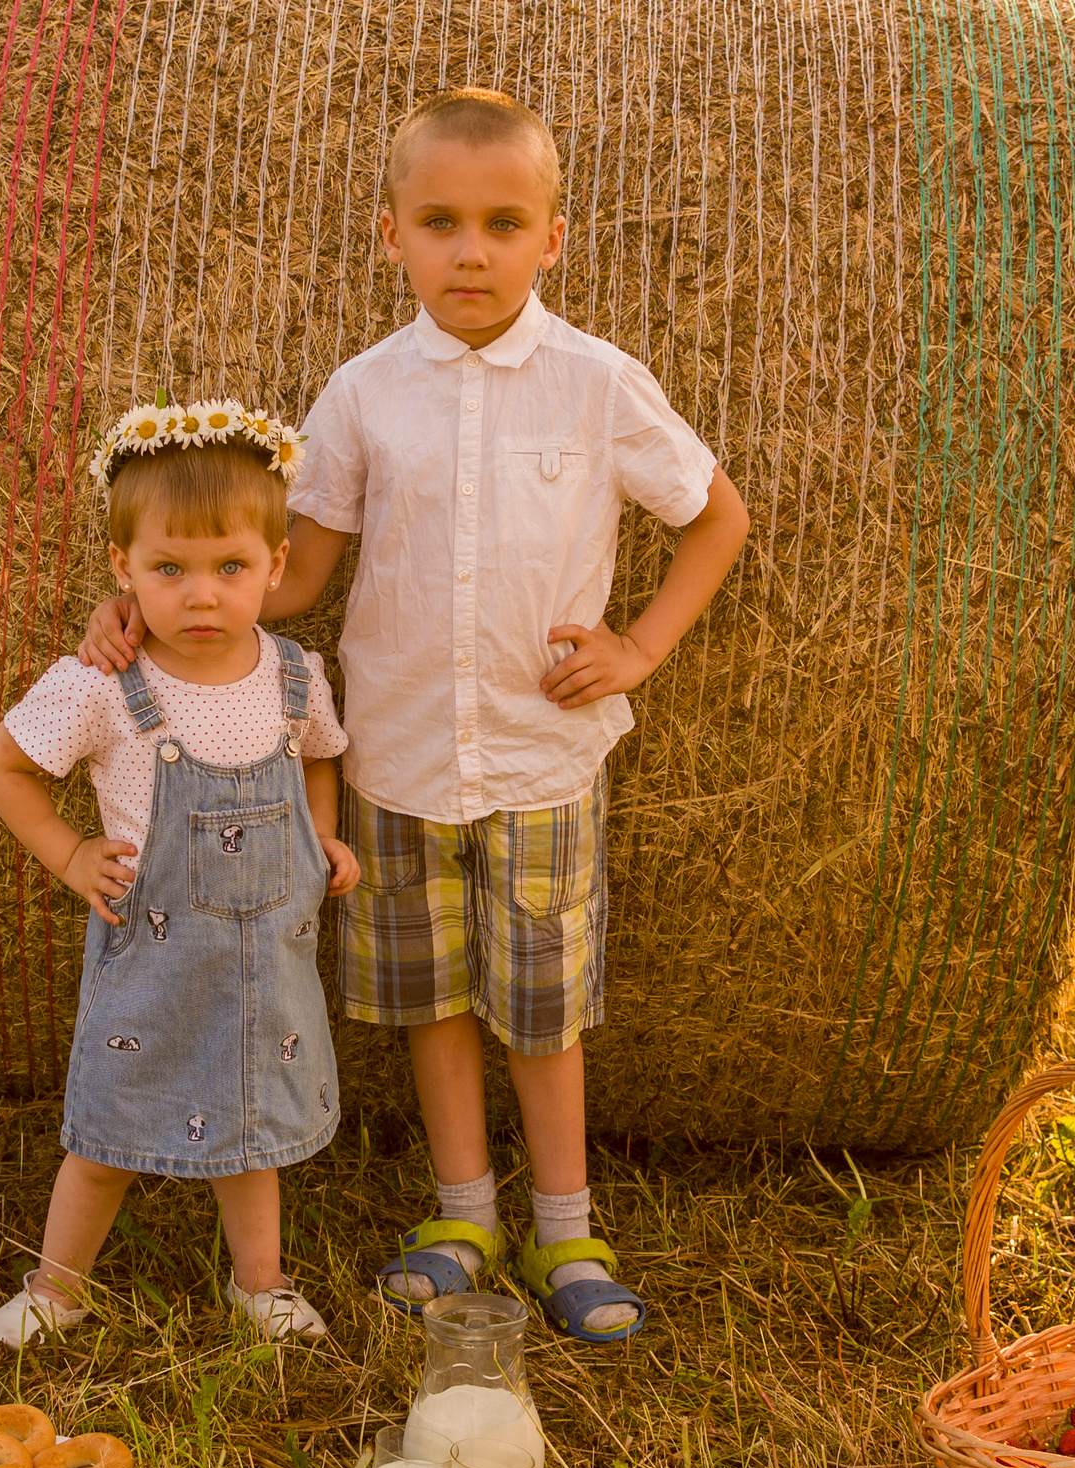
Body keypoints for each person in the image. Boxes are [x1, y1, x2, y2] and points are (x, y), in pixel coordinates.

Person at [80, 90, 750, 1343]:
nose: (471, 252)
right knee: (431, 999)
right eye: (440, 223)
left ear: (553, 238)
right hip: (391, 755)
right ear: (391, 235)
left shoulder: (597, 386)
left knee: (540, 1011)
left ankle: (567, 1228)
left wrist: (638, 647)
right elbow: (300, 574)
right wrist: (151, 611)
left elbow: (716, 516)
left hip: (544, 758)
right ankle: (462, 1214)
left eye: (503, 224)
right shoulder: (362, 395)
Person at [0, 399, 360, 1348]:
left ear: (275, 567)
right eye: (169, 570)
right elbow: (5, 761)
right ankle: (57, 1288)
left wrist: (322, 841)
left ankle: (259, 1283)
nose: (200, 595)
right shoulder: (106, 683)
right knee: (103, 1136)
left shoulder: (295, 675)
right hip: (149, 961)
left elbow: (320, 754)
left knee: (249, 1127)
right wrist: (69, 854)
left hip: (260, 967)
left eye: (230, 568)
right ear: (124, 569)